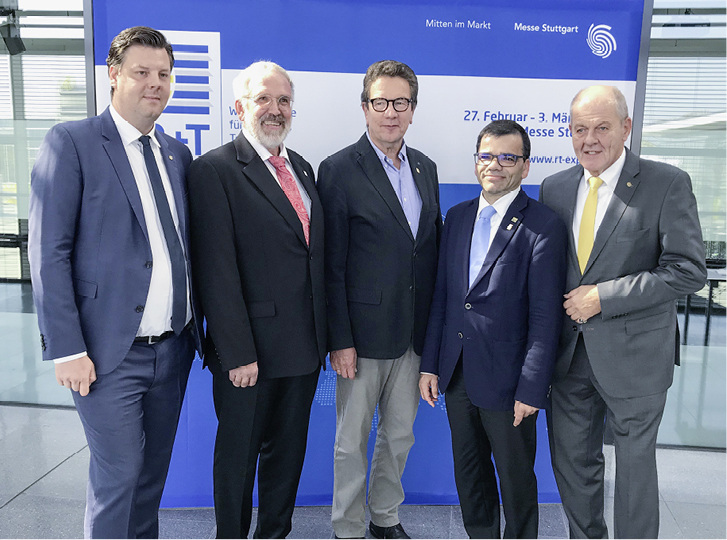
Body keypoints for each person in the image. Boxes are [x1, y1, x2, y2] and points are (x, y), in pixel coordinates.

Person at [28, 26, 203, 538]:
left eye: (164, 74)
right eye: (142, 72)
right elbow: (48, 253)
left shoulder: (177, 154)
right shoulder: (73, 142)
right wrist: (66, 348)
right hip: (107, 354)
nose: (155, 83)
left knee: (151, 479)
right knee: (118, 477)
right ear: (113, 75)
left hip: (173, 350)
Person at [539, 85, 707, 539]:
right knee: (573, 464)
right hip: (569, 356)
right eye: (579, 129)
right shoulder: (553, 188)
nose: (589, 139)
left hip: (636, 359)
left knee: (633, 473)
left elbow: (688, 271)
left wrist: (604, 296)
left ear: (626, 127)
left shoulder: (666, 183)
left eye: (601, 128)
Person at [187, 61, 326, 539]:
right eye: (263, 99)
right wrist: (237, 352)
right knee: (238, 460)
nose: (274, 110)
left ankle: (273, 534)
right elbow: (215, 270)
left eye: (283, 100)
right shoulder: (215, 170)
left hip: (303, 351)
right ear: (239, 106)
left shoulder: (302, 167)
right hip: (250, 354)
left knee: (287, 460)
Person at [419, 120, 568, 538]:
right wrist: (430, 364)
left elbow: (544, 318)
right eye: (487, 156)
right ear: (475, 163)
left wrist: (531, 389)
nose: (495, 165)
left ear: (525, 166)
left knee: (516, 481)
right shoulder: (458, 217)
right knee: (470, 476)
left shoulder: (543, 225)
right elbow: (445, 298)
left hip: (510, 383)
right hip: (457, 374)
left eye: (508, 157)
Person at [316, 59, 441, 540]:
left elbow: (425, 252)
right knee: (351, 442)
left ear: (413, 109)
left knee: (401, 436)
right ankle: (347, 528)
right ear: (365, 107)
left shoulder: (425, 168)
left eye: (401, 103)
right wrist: (339, 339)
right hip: (361, 338)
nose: (391, 112)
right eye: (380, 102)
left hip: (412, 333)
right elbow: (332, 265)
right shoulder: (339, 169)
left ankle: (385, 518)